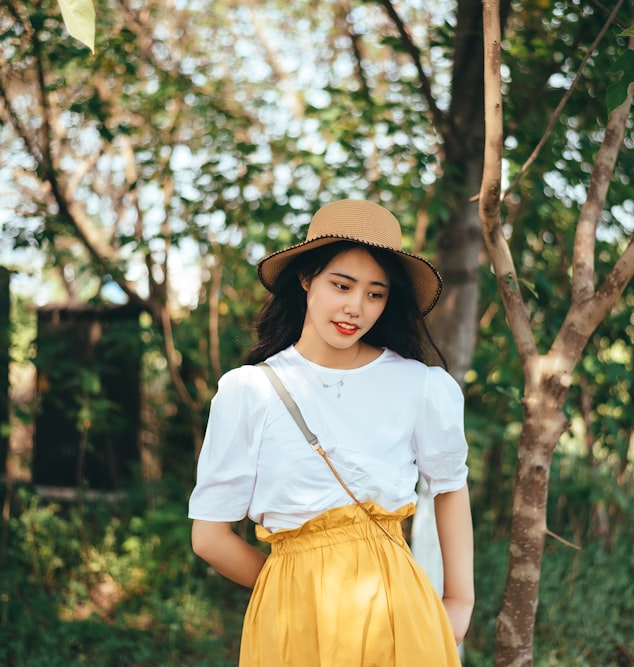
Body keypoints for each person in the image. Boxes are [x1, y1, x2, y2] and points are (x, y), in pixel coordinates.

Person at [189, 198, 474, 666]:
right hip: (290, 625)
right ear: (307, 279)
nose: (355, 307)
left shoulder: (420, 386)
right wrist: (292, 587)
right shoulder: (250, 391)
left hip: (399, 615)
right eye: (341, 285)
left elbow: (449, 486)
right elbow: (209, 537)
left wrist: (460, 602)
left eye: (375, 294)